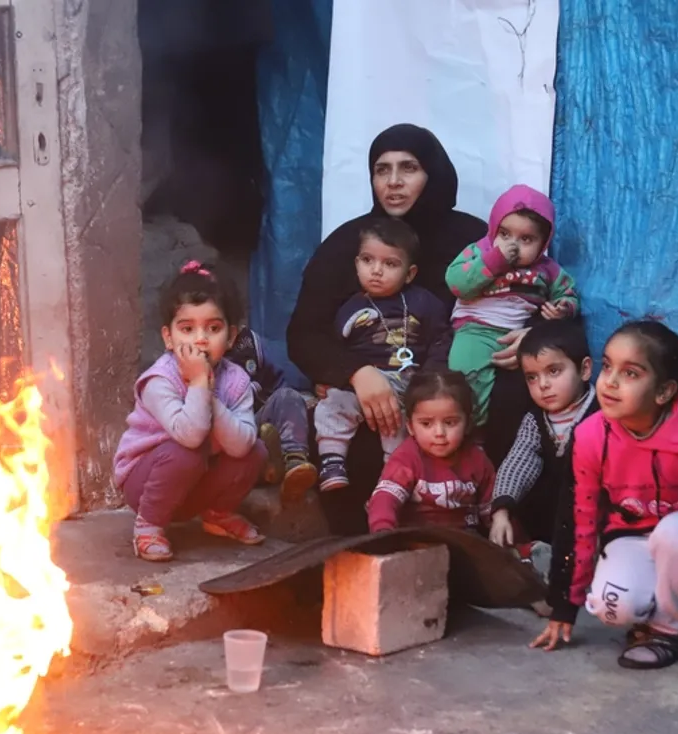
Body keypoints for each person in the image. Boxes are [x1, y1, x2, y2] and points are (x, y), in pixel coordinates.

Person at [286, 123, 485, 535]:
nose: (393, 182)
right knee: (353, 449)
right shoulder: (352, 244)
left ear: (433, 174)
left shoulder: (472, 241)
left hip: (452, 387)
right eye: (381, 169)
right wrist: (356, 373)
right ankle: (365, 557)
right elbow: (303, 333)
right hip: (374, 392)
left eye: (408, 168)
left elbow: (521, 296)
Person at [531, 321, 678, 669]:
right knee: (610, 607)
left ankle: (669, 630)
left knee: (675, 534)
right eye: (608, 366)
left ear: (663, 392)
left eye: (630, 373)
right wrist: (565, 604)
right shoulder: (589, 437)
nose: (610, 381)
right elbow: (579, 521)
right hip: (634, 532)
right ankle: (665, 598)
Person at [112, 261, 269, 561]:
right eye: (187, 329)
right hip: (146, 484)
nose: (200, 339)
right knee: (187, 452)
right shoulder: (160, 380)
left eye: (213, 328)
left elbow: (241, 445)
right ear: (168, 338)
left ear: (232, 337)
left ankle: (217, 514)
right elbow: (191, 436)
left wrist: (208, 395)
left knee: (256, 450)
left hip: (195, 485)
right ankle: (148, 526)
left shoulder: (236, 380)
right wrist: (199, 383)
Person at [314, 216, 451, 491]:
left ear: (409, 273)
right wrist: (333, 378)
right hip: (363, 387)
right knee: (331, 405)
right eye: (368, 260)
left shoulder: (423, 302)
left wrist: (429, 381)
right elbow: (334, 349)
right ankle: (332, 462)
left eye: (390, 264)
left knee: (398, 428)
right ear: (357, 264)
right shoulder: (349, 308)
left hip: (407, 383)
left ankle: (393, 483)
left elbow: (441, 339)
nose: (376, 271)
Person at [446, 185, 579, 427]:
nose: (512, 246)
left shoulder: (548, 270)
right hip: (475, 329)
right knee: (464, 379)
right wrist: (495, 260)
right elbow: (457, 283)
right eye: (505, 234)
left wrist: (562, 309)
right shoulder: (479, 251)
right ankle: (470, 433)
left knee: (523, 392)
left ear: (543, 243)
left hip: (518, 334)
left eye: (526, 239)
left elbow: (569, 295)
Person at [488, 320, 599, 549]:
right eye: (532, 377)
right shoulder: (536, 420)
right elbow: (520, 460)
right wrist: (501, 510)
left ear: (585, 369)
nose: (543, 385)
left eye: (554, 371)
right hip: (554, 525)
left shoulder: (604, 415)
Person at [365, 369, 495, 533]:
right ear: (411, 427)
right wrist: (383, 531)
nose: (439, 433)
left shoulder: (477, 459)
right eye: (426, 424)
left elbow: (493, 510)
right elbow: (385, 497)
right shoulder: (407, 458)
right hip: (418, 539)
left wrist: (513, 541)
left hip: (466, 539)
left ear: (468, 424)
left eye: (450, 422)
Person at [224, 327, 319, 502]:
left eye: (215, 327)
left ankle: (295, 462)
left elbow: (275, 380)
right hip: (232, 432)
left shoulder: (247, 343)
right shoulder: (188, 362)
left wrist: (294, 407)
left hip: (260, 413)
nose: (203, 337)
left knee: (289, 397)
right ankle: (269, 466)